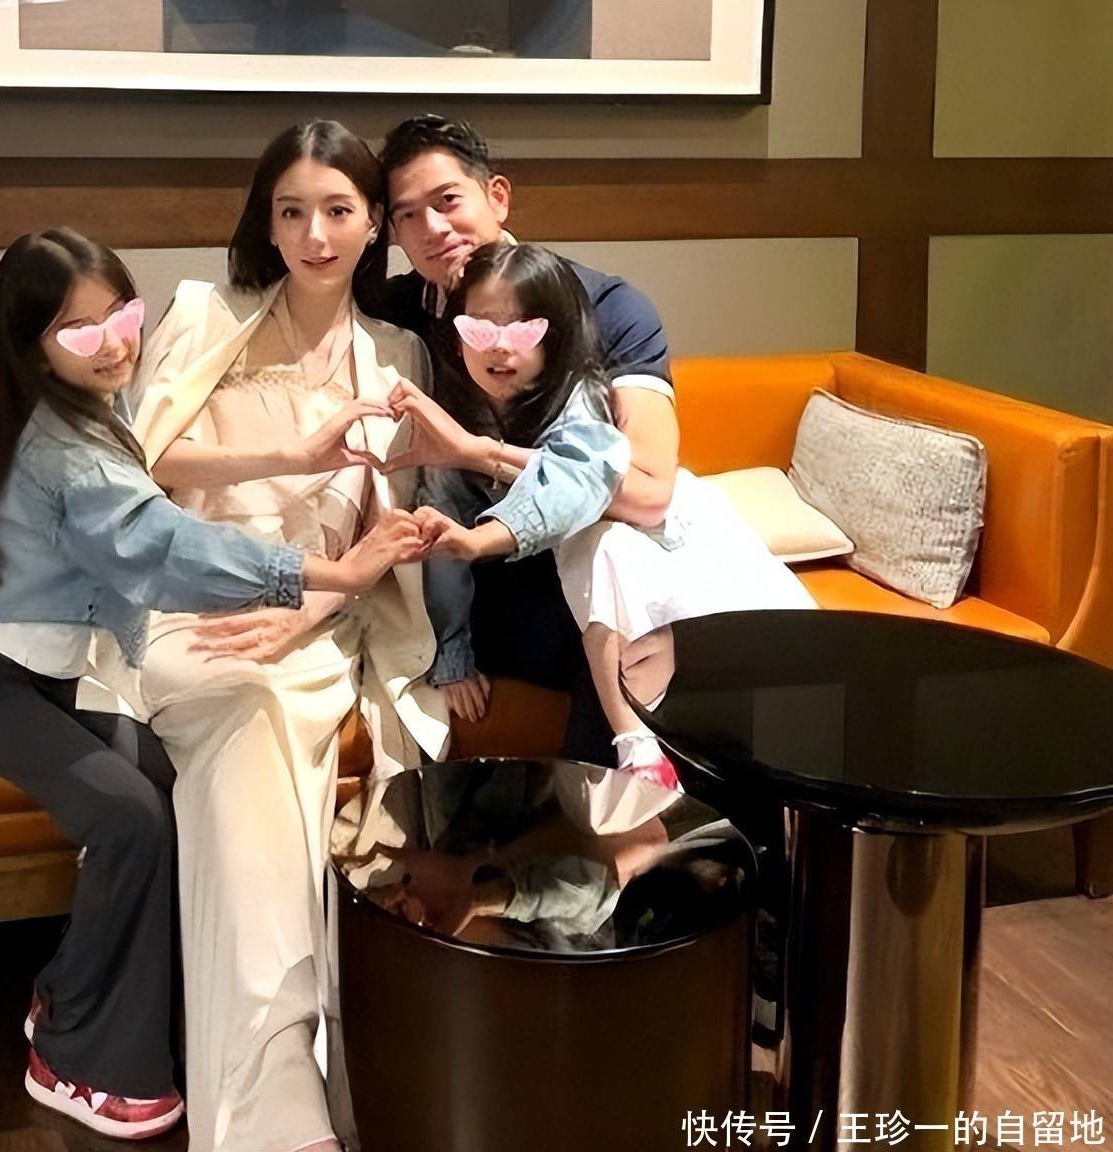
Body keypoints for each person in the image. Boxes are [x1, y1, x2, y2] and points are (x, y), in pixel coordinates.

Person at [0, 228, 425, 1142]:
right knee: (131, 821)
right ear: (29, 344)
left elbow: (156, 498)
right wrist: (331, 575)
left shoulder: (87, 406)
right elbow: (166, 548)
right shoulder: (64, 451)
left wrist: (295, 466)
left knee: (164, 781)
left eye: (122, 314)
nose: (114, 342)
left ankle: (78, 990)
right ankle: (73, 1053)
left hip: (59, 675)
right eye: (79, 331)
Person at [127, 121, 448, 1152]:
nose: (315, 235)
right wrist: (289, 453)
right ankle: (279, 1093)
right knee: (242, 705)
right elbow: (144, 464)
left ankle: (279, 1097)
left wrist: (302, 611)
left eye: (338, 211)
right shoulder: (202, 314)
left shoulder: (397, 356)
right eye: (292, 211)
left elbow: (383, 536)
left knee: (264, 726)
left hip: (317, 622)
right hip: (188, 604)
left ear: (373, 226)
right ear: (265, 223)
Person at [394, 242, 815, 789]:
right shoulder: (452, 407)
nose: (499, 346)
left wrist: (483, 531)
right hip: (560, 585)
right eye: (480, 329)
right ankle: (633, 772)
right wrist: (454, 653)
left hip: (651, 552)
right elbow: (442, 533)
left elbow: (575, 483)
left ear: (557, 334)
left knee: (609, 570)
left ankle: (646, 766)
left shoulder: (580, 397)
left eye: (523, 330)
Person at [377, 115, 679, 759]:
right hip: (464, 587)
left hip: (574, 576)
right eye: (407, 215)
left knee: (626, 603)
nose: (432, 228)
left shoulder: (605, 310)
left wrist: (478, 452)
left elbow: (650, 492)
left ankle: (630, 809)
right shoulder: (393, 316)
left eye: (448, 200)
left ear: (498, 197)